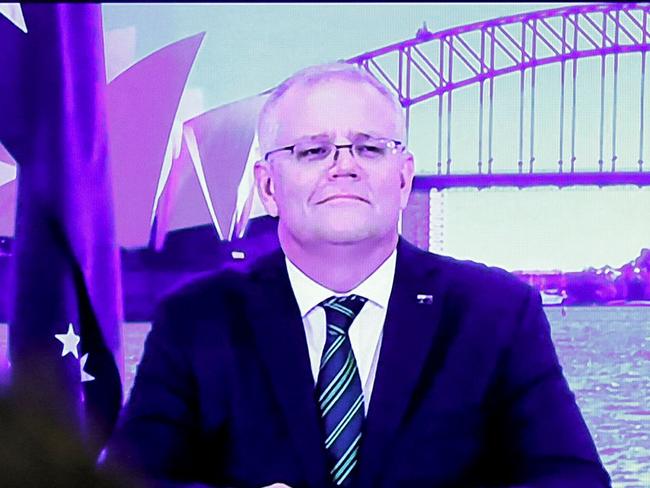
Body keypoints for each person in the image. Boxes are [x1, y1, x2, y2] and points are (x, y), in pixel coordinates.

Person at [103, 63, 611, 488]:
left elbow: (573, 480)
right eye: (312, 150)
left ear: (404, 177)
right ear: (267, 186)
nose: (343, 166)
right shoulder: (195, 322)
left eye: (369, 148)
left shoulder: (496, 313)